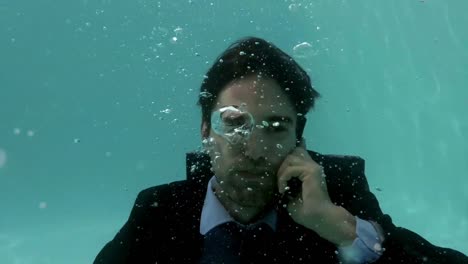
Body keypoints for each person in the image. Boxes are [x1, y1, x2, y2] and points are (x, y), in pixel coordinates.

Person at [94, 36, 468, 264]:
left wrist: (339, 228)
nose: (254, 149)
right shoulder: (159, 214)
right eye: (235, 122)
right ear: (206, 130)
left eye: (275, 127)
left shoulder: (339, 200)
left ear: (299, 140)